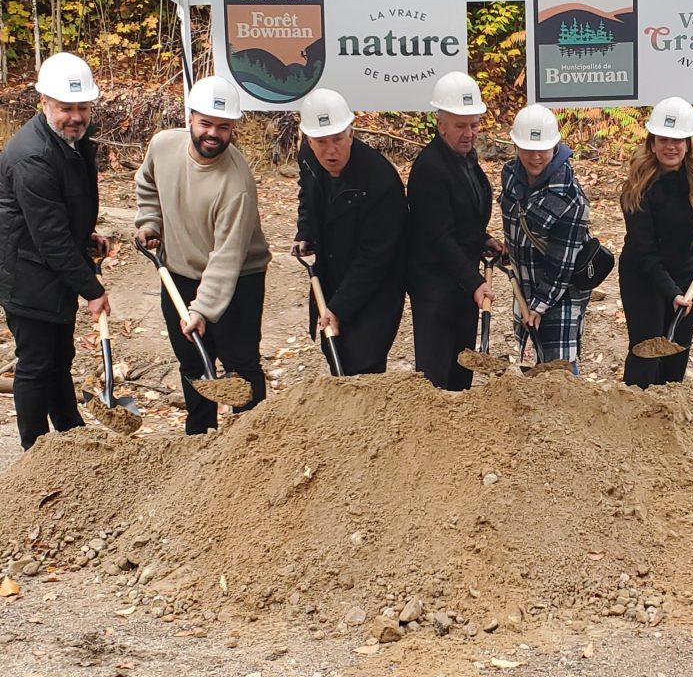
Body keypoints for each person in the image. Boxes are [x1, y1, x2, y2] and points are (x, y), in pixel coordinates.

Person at [135, 76, 271, 434]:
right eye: (206, 123)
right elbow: (146, 182)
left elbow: (227, 258)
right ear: (190, 118)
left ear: (233, 128)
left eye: (223, 127)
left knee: (240, 363)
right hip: (178, 272)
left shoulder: (235, 184)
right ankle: (199, 437)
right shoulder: (163, 146)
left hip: (239, 278)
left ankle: (254, 438)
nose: (214, 133)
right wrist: (149, 221)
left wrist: (202, 310)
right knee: (193, 363)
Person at [0, 53, 111, 450]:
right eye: (66, 108)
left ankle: (68, 433)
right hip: (29, 275)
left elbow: (66, 206)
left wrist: (87, 236)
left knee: (59, 357)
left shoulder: (71, 139)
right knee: (35, 364)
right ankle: (35, 453)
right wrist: (92, 288)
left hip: (54, 269)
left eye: (83, 107)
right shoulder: (31, 156)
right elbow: (49, 236)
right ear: (44, 102)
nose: (76, 116)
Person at [292, 88, 407, 375]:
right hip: (331, 271)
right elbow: (308, 194)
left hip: (377, 286)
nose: (331, 150)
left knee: (363, 363)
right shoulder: (308, 156)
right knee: (335, 353)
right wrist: (306, 232)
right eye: (321, 141)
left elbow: (376, 257)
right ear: (308, 139)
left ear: (351, 133)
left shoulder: (381, 181)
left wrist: (340, 309)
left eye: (338, 140)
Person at [619, 97, 693, 388]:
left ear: (688, 143)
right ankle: (636, 409)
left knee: (677, 351)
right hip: (643, 276)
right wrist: (672, 293)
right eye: (664, 139)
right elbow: (644, 252)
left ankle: (668, 415)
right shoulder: (638, 187)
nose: (671, 146)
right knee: (648, 350)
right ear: (652, 142)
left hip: (684, 272)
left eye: (679, 139)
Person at [407, 71, 503, 390]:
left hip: (461, 283)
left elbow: (465, 220)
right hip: (435, 289)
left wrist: (483, 239)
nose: (469, 133)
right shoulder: (430, 169)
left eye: (474, 125)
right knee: (435, 377)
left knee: (462, 370)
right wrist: (476, 283)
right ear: (441, 124)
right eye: (460, 125)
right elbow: (440, 236)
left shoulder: (466, 159)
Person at [499, 104, 590, 369]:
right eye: (528, 148)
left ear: (555, 146)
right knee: (530, 359)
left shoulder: (570, 198)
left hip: (560, 291)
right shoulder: (510, 176)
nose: (536, 156)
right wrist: (507, 248)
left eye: (543, 149)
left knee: (559, 365)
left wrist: (539, 306)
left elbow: (562, 264)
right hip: (525, 283)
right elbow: (514, 220)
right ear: (516, 146)